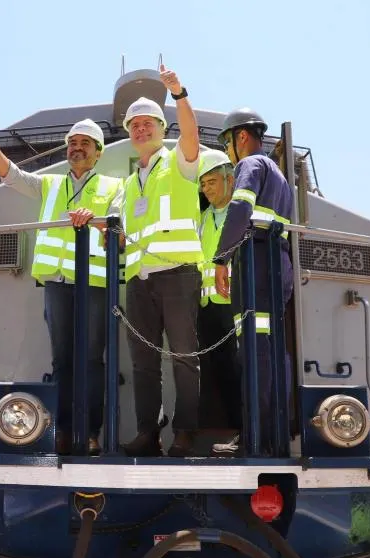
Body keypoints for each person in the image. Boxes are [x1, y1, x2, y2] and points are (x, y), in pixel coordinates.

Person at [0, 116, 123, 455]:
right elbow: (12, 176)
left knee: (92, 361)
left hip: (95, 285)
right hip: (56, 285)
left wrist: (97, 222)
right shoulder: (51, 185)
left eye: (84, 143)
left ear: (98, 153)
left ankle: (92, 432)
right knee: (62, 361)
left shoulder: (116, 187)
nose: (76, 148)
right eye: (72, 143)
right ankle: (65, 431)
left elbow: (117, 225)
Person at [111, 64, 203, 457]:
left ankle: (185, 433)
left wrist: (179, 95)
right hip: (139, 281)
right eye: (134, 125)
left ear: (162, 130)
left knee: (184, 358)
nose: (141, 130)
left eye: (148, 123)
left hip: (179, 275)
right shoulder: (129, 185)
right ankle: (148, 433)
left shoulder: (180, 163)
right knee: (144, 363)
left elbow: (192, 136)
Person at [212, 108, 295, 456]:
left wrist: (221, 257)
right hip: (278, 262)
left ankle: (253, 438)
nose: (229, 152)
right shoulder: (281, 179)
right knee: (274, 354)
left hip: (256, 262)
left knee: (254, 354)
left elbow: (239, 211)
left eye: (227, 143)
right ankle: (275, 433)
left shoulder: (250, 166)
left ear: (240, 137)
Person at [193, 150, 244, 452]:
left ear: (230, 180)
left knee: (239, 370)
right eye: (204, 185)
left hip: (234, 304)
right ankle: (227, 431)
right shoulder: (202, 218)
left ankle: (245, 430)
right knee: (217, 373)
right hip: (207, 306)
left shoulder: (241, 216)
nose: (207, 189)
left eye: (212, 182)